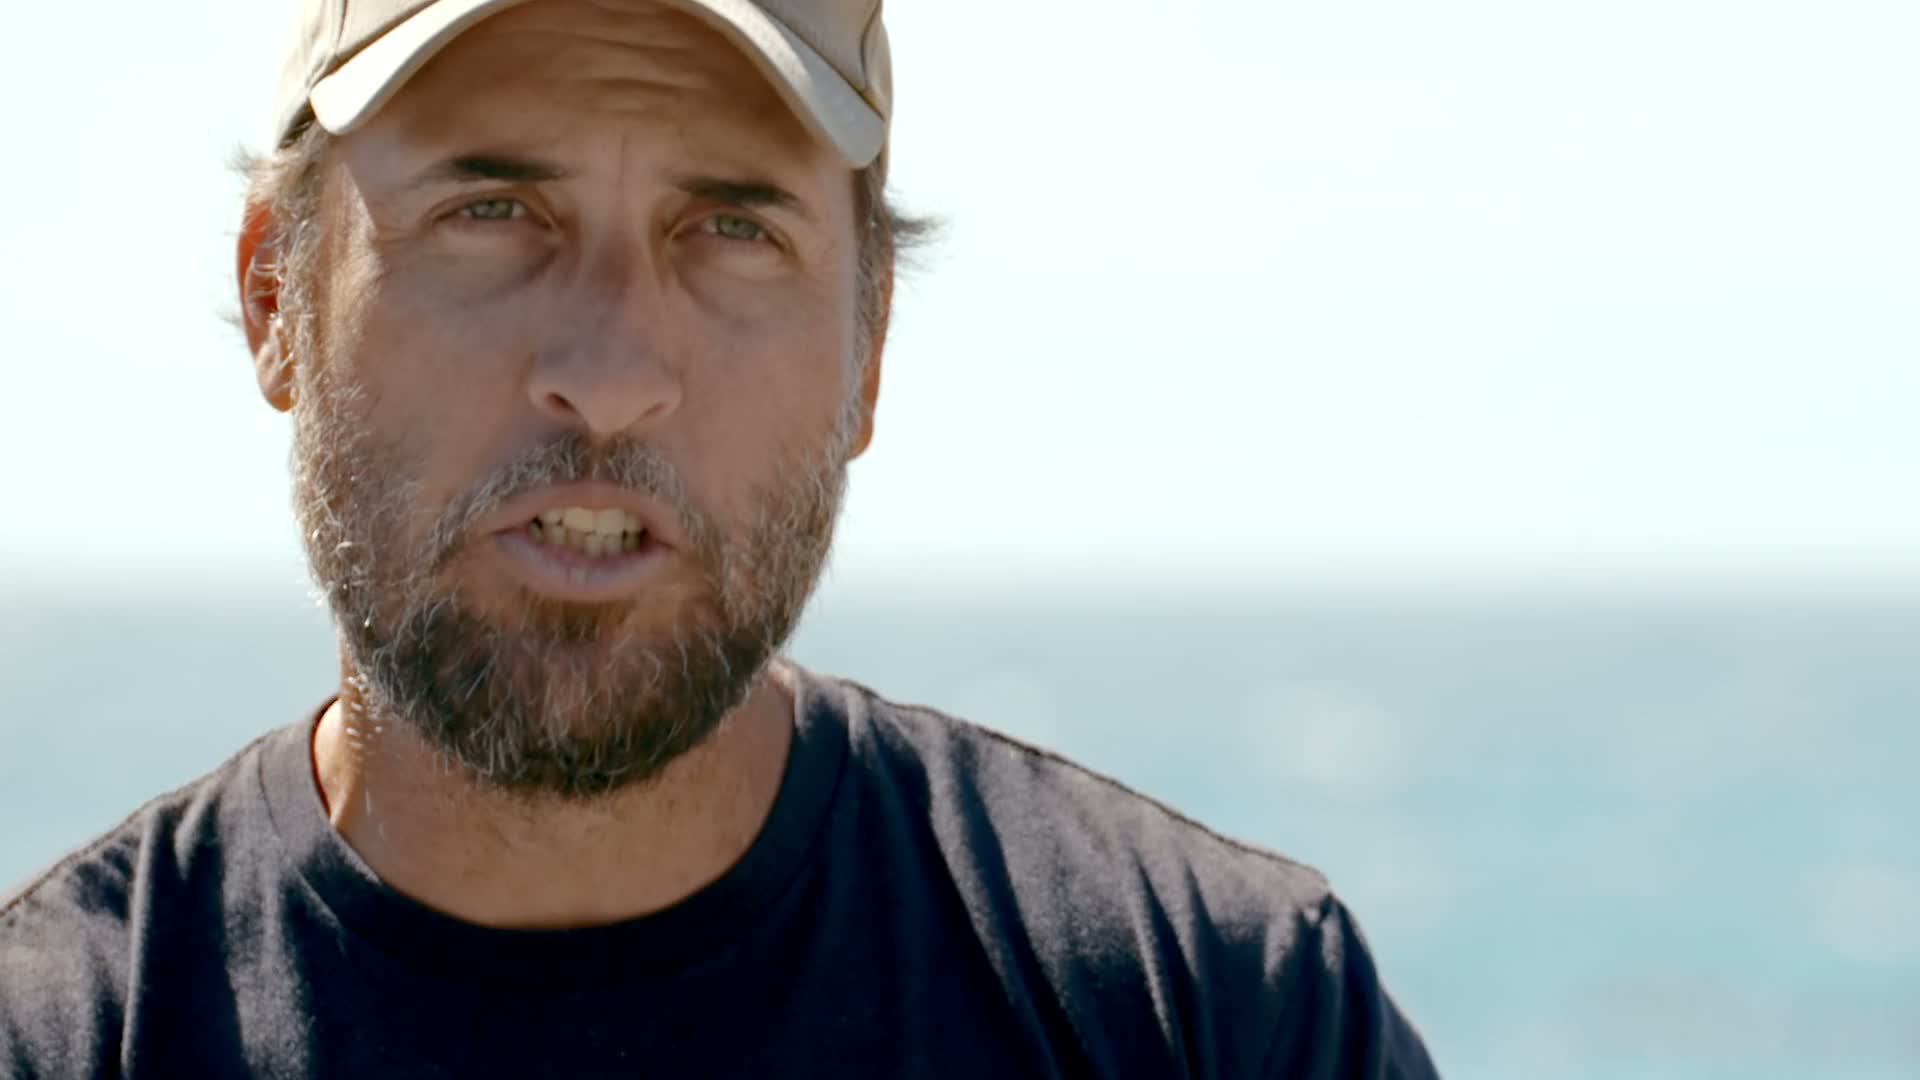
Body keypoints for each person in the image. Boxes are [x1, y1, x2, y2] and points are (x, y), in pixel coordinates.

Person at [0, 0, 1439, 1075]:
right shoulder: (59, 1037)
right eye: (491, 211)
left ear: (869, 347)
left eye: (733, 231)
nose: (611, 371)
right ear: (278, 297)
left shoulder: (1215, 1015)